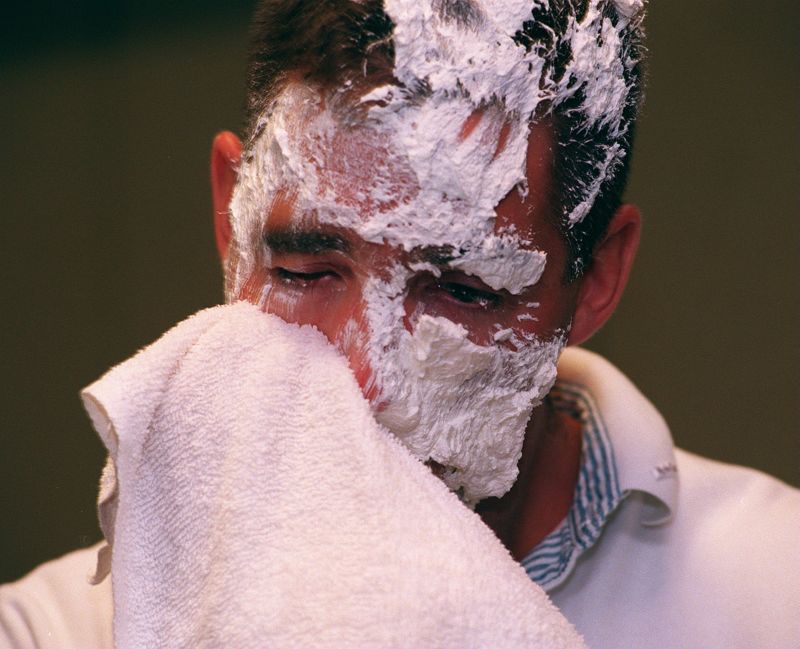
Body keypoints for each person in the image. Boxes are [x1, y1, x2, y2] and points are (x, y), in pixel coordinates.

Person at [1, 1, 798, 647]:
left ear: (595, 281)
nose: (364, 377)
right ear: (229, 213)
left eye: (462, 290)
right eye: (305, 270)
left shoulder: (777, 595)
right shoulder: (55, 631)